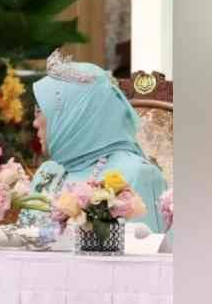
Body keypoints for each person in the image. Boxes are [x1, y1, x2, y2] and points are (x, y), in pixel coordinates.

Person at [19, 50, 168, 235]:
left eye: (41, 110)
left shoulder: (137, 174)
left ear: (74, 116)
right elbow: (23, 240)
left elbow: (147, 257)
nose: (34, 122)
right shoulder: (48, 172)